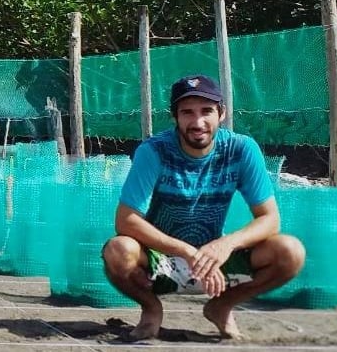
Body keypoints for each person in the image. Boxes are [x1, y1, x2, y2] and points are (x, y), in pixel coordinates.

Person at [103, 74, 305, 341]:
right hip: (161, 260)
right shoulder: (153, 151)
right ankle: (151, 309)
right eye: (187, 112)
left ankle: (221, 306)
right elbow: (126, 220)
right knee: (118, 251)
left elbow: (270, 220)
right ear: (175, 116)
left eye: (206, 111)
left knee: (290, 251)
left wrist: (226, 245)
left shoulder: (241, 149)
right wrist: (184, 250)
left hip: (216, 262)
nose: (197, 122)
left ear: (221, 113)